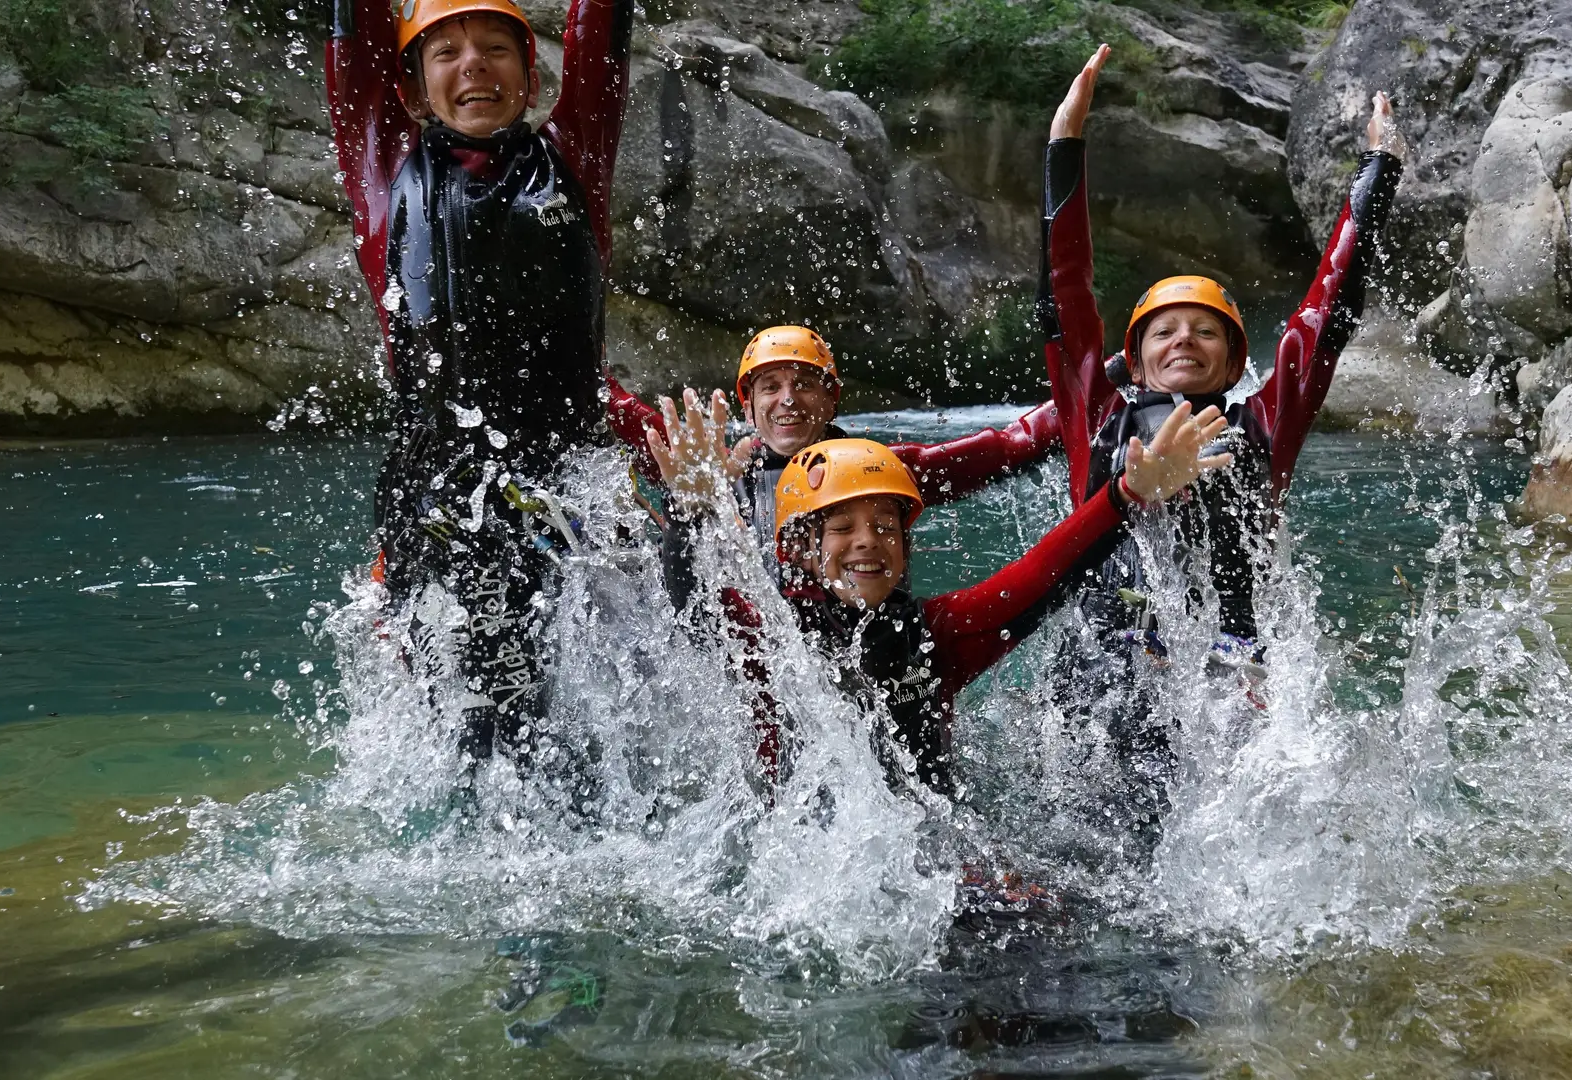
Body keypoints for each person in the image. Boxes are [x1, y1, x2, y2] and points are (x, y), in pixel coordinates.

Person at [1037, 46, 1404, 862]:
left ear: (1237, 364)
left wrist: (1377, 175)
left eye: (1206, 332)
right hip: (1103, 663)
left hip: (1226, 667)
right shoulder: (1097, 410)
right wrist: (1064, 146)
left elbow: (1324, 315)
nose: (1184, 341)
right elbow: (1065, 303)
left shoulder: (1263, 425)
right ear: (1132, 360)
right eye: (1164, 331)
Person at [647, 389, 1229, 798]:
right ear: (799, 549)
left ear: (906, 545)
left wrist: (1127, 494)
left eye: (884, 526)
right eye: (842, 528)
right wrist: (687, 512)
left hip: (929, 850)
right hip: (798, 856)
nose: (866, 544)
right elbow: (699, 611)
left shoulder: (936, 634)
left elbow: (1042, 575)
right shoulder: (769, 637)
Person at [326, 0, 633, 764]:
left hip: (572, 481)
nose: (474, 66)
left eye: (497, 48)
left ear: (530, 79)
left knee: (593, 714)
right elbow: (354, 56)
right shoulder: (383, 163)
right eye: (447, 53)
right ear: (411, 88)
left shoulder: (575, 153)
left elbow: (602, 40)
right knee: (484, 729)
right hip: (437, 493)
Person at [607, 327, 1061, 561]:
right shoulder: (715, 478)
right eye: (771, 386)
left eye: (804, 384)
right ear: (748, 407)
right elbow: (617, 408)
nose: (787, 399)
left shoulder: (880, 472)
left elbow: (1005, 448)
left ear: (831, 400)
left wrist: (1109, 382)